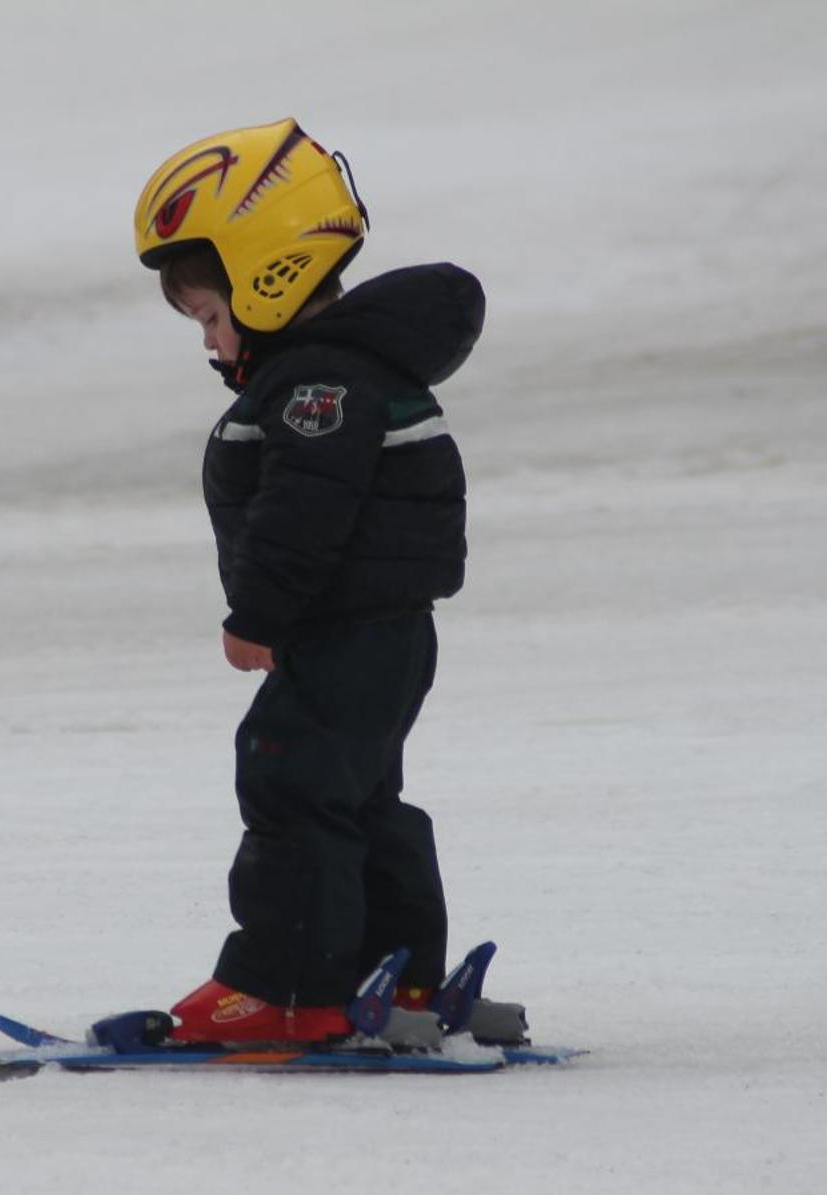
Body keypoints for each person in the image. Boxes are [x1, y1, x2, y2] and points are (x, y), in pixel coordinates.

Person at [133, 118, 505, 1045]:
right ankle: (399, 978)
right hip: (379, 633)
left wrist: (258, 611)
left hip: (341, 630)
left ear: (268, 280)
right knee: (362, 799)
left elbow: (306, 511)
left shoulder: (316, 386)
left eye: (212, 315)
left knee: (292, 784)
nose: (210, 341)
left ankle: (286, 989)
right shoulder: (342, 373)